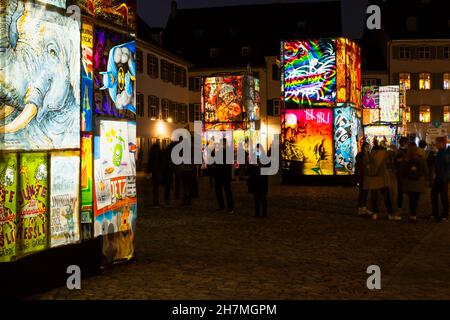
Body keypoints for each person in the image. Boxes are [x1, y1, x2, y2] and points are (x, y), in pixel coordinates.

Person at [363, 142, 399, 220]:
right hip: (382, 178)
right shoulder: (384, 154)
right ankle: (390, 214)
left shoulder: (371, 154)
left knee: (374, 197)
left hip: (372, 179)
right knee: (386, 197)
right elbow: (394, 154)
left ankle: (375, 213)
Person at [400, 142, 429, 222]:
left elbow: (401, 171)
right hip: (418, 181)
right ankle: (414, 214)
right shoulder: (421, 158)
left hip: (409, 182)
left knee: (411, 199)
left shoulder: (405, 158)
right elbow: (425, 170)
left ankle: (412, 214)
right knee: (416, 199)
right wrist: (427, 180)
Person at [212, 138, 234, 213]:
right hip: (220, 174)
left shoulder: (226, 152)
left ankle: (229, 207)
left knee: (227, 191)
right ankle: (222, 206)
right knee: (220, 191)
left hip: (224, 174)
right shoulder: (220, 152)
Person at [431, 136, 450, 221]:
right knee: (434, 194)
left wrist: (444, 176)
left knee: (443, 196)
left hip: (442, 177)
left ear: (442, 143)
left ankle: (444, 214)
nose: (436, 144)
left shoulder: (445, 153)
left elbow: (446, 166)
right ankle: (436, 213)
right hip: (440, 177)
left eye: (437, 143)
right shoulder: (441, 152)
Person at [247, 144, 269, 218]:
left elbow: (267, 166)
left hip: (262, 180)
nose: (257, 151)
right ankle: (257, 212)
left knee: (262, 197)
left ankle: (264, 213)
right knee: (256, 197)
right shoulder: (253, 157)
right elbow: (249, 168)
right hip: (255, 180)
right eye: (256, 149)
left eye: (258, 149)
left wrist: (259, 165)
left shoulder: (265, 158)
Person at [355, 142, 372, 216]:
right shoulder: (360, 155)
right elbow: (359, 165)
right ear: (363, 147)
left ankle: (363, 208)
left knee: (365, 192)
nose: (367, 148)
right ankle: (361, 208)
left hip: (367, 176)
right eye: (366, 147)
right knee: (362, 192)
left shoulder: (369, 155)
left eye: (368, 147)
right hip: (362, 176)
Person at [394, 136, 409, 214]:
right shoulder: (399, 152)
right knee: (401, 192)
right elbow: (395, 163)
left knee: (402, 191)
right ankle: (400, 207)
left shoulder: (398, 151)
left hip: (403, 174)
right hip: (403, 174)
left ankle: (401, 208)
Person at [147, 142, 162, 207]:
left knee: (154, 187)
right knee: (157, 187)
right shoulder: (159, 153)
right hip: (158, 171)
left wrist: (149, 171)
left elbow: (150, 163)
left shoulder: (152, 154)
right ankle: (157, 201)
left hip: (153, 172)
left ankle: (155, 201)